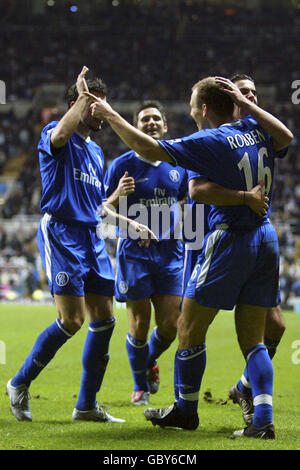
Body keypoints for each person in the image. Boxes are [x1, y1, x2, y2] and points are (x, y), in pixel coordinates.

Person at [84, 75, 293, 439]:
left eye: (193, 103)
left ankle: (185, 409)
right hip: (266, 238)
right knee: (254, 340)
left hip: (230, 238)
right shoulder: (255, 129)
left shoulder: (210, 138)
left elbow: (150, 151)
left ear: (205, 108)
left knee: (189, 327)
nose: (191, 109)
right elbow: (286, 137)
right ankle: (262, 421)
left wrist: (111, 114)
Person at [6, 67, 155, 423]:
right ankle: (19, 382)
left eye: (104, 105)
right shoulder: (56, 135)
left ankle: (86, 405)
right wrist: (82, 98)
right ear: (78, 103)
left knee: (104, 320)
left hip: (91, 236)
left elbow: (97, 209)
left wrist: (129, 221)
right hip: (62, 234)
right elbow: (59, 133)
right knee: (71, 320)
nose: (102, 113)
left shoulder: (96, 154)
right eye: (95, 105)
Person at [187, 73, 288, 426]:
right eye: (244, 93)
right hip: (218, 235)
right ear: (229, 102)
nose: (251, 99)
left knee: (273, 327)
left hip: (249, 236)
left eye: (255, 94)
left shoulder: (259, 133)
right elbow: (196, 191)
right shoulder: (217, 138)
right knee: (197, 326)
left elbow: (286, 137)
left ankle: (245, 387)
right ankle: (193, 403)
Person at [104, 100, 187, 406]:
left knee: (171, 324)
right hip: (134, 254)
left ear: (165, 126)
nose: (150, 123)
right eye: (144, 120)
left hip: (171, 253)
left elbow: (183, 203)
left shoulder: (178, 164)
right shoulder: (121, 165)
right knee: (139, 323)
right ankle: (140, 386)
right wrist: (119, 201)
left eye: (155, 119)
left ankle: (146, 361)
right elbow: (102, 211)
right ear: (135, 128)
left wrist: (185, 231)